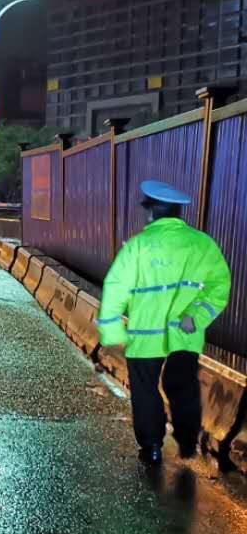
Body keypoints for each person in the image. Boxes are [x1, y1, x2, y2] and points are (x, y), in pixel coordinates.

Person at [98, 180, 231, 466]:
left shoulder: (138, 247)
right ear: (177, 213)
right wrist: (196, 316)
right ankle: (187, 442)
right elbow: (219, 286)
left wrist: (111, 329)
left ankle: (152, 447)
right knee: (183, 386)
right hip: (185, 335)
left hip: (144, 337)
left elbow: (115, 287)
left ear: (152, 213)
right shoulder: (202, 244)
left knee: (145, 390)